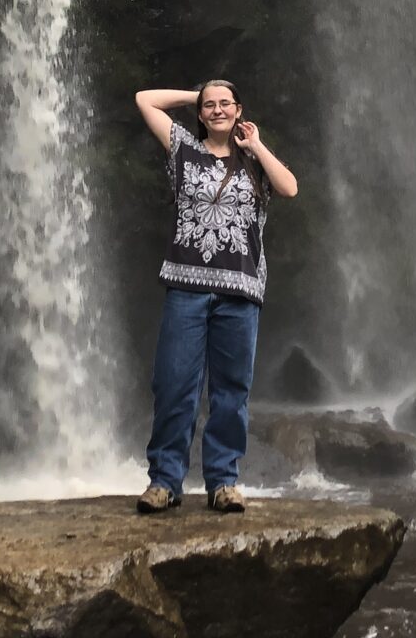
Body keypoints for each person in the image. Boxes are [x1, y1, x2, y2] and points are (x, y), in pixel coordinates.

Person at [134, 79, 298, 514]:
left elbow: (289, 188)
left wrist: (257, 145)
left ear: (240, 109)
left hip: (240, 292)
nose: (218, 110)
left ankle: (223, 482)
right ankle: (165, 482)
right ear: (201, 113)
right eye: (211, 105)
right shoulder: (183, 149)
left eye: (226, 103)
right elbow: (144, 100)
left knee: (231, 391)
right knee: (174, 386)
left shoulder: (253, 161)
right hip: (187, 287)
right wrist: (195, 94)